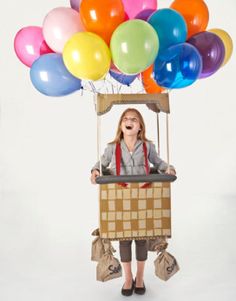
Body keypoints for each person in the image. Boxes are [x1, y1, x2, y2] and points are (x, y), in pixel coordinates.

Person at [90, 108, 176, 296]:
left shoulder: (147, 146)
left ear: (140, 127)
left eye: (134, 119)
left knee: (141, 239)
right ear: (121, 125)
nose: (129, 121)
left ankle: (140, 276)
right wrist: (95, 171)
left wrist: (169, 169)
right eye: (126, 119)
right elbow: (102, 163)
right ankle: (128, 278)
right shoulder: (113, 147)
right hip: (121, 197)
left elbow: (159, 163)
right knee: (125, 240)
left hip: (143, 197)